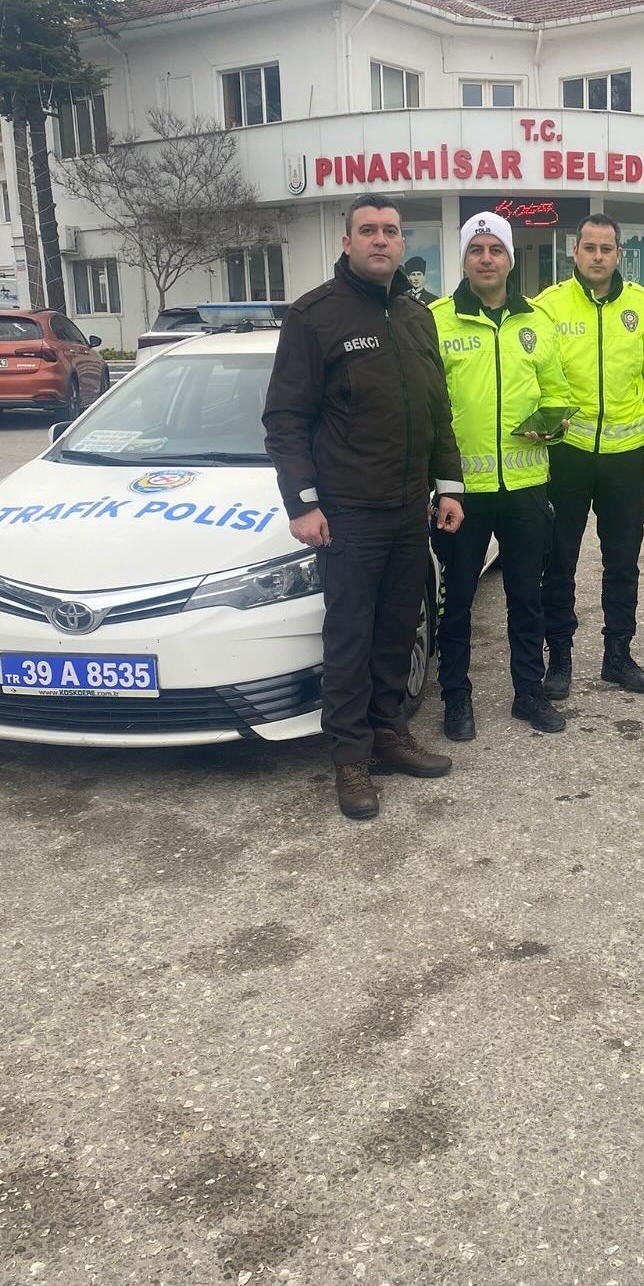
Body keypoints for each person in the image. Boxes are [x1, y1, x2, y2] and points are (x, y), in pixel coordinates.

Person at [263, 193, 465, 820]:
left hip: (410, 508)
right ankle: (350, 759)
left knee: (397, 630)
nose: (381, 240)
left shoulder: (415, 316)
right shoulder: (314, 317)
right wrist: (302, 502)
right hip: (346, 513)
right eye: (368, 231)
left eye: (391, 231)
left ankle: (388, 733)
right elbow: (285, 419)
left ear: (404, 245)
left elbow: (437, 411)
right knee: (350, 637)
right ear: (346, 243)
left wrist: (449, 486)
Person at [430, 211, 573, 741]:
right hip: (462, 493)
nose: (486, 258)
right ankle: (456, 697)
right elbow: (428, 406)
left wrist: (550, 426)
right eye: (476, 249)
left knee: (526, 598)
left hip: (527, 488)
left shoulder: (536, 321)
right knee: (458, 601)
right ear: (464, 259)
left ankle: (528, 693)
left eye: (495, 249)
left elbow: (559, 395)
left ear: (510, 259)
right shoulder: (438, 320)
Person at [536, 213, 644, 696]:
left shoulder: (642, 306)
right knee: (559, 561)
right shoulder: (548, 306)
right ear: (574, 251)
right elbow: (531, 376)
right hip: (568, 456)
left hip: (625, 460)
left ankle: (618, 656)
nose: (598, 256)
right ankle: (559, 659)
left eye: (607, 248)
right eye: (590, 247)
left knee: (623, 562)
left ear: (620, 254)